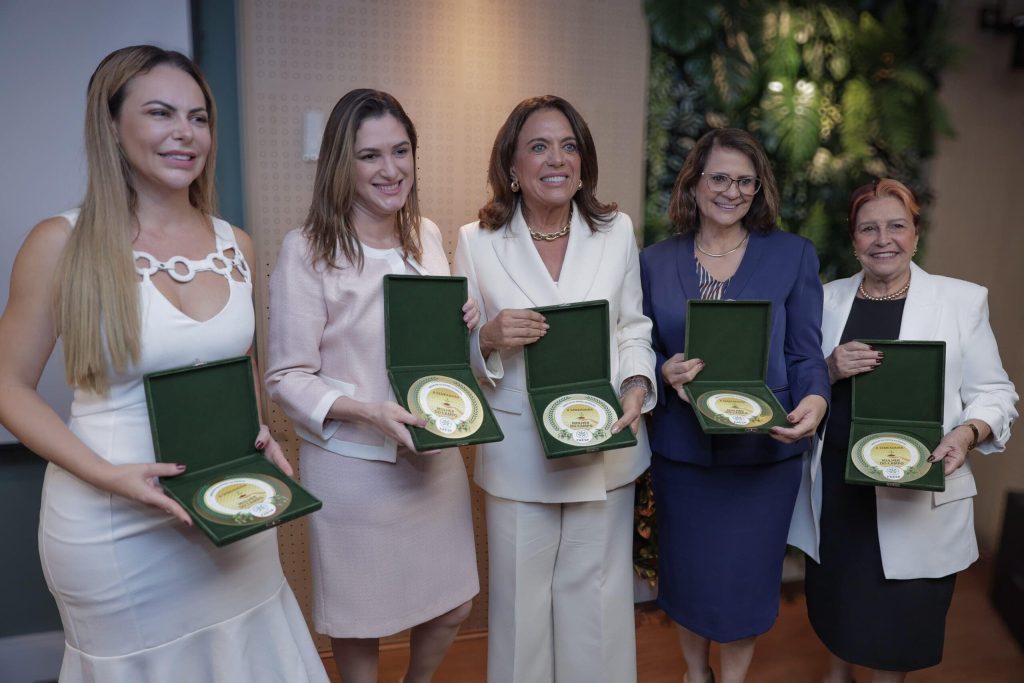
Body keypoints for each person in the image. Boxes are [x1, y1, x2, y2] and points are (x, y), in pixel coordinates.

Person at [0, 46, 327, 682]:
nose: (186, 133)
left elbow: (240, 370)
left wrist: (257, 432)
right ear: (112, 125)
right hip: (114, 530)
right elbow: (7, 386)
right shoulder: (59, 243)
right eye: (160, 113)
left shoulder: (238, 242)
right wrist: (109, 475)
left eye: (198, 117)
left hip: (231, 513)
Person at [264, 88, 478, 683]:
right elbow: (286, 377)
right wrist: (369, 413)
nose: (391, 170)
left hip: (432, 458)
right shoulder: (307, 250)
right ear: (341, 163)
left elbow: (433, 353)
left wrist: (468, 324)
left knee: (454, 603)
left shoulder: (427, 236)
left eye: (401, 151)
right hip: (354, 466)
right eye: (370, 156)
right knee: (361, 623)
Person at [453, 94, 656, 683]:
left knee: (597, 610)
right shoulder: (475, 240)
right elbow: (451, 354)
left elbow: (633, 327)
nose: (556, 159)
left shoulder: (615, 231)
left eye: (569, 146)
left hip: (606, 447)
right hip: (519, 456)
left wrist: (637, 384)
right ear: (512, 166)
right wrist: (488, 339)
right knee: (520, 617)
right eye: (538, 146)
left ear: (584, 161)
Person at [787, 178, 1018, 682]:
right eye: (868, 228)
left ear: (915, 234)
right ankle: (836, 673)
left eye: (896, 225)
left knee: (894, 640)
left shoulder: (962, 302)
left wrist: (968, 434)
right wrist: (827, 368)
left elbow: (997, 394)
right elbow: (792, 383)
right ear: (853, 240)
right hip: (839, 493)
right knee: (839, 615)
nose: (882, 239)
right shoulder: (822, 301)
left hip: (918, 494)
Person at [639, 127, 830, 683]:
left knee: (746, 584)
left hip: (763, 457)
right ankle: (696, 674)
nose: (732, 191)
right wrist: (659, 369)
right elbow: (635, 346)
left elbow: (805, 351)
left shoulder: (792, 255)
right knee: (689, 578)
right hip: (684, 455)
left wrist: (816, 398)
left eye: (746, 181)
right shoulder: (654, 261)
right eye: (720, 177)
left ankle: (735, 678)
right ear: (695, 182)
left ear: (759, 189)